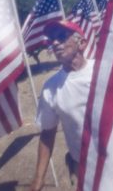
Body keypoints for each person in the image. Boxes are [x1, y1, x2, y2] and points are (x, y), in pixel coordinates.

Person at [30, 20, 93, 191]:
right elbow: (47, 133)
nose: (55, 43)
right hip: (83, 167)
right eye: (52, 40)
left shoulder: (103, 71)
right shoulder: (51, 87)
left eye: (62, 37)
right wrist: (38, 179)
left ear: (82, 43)